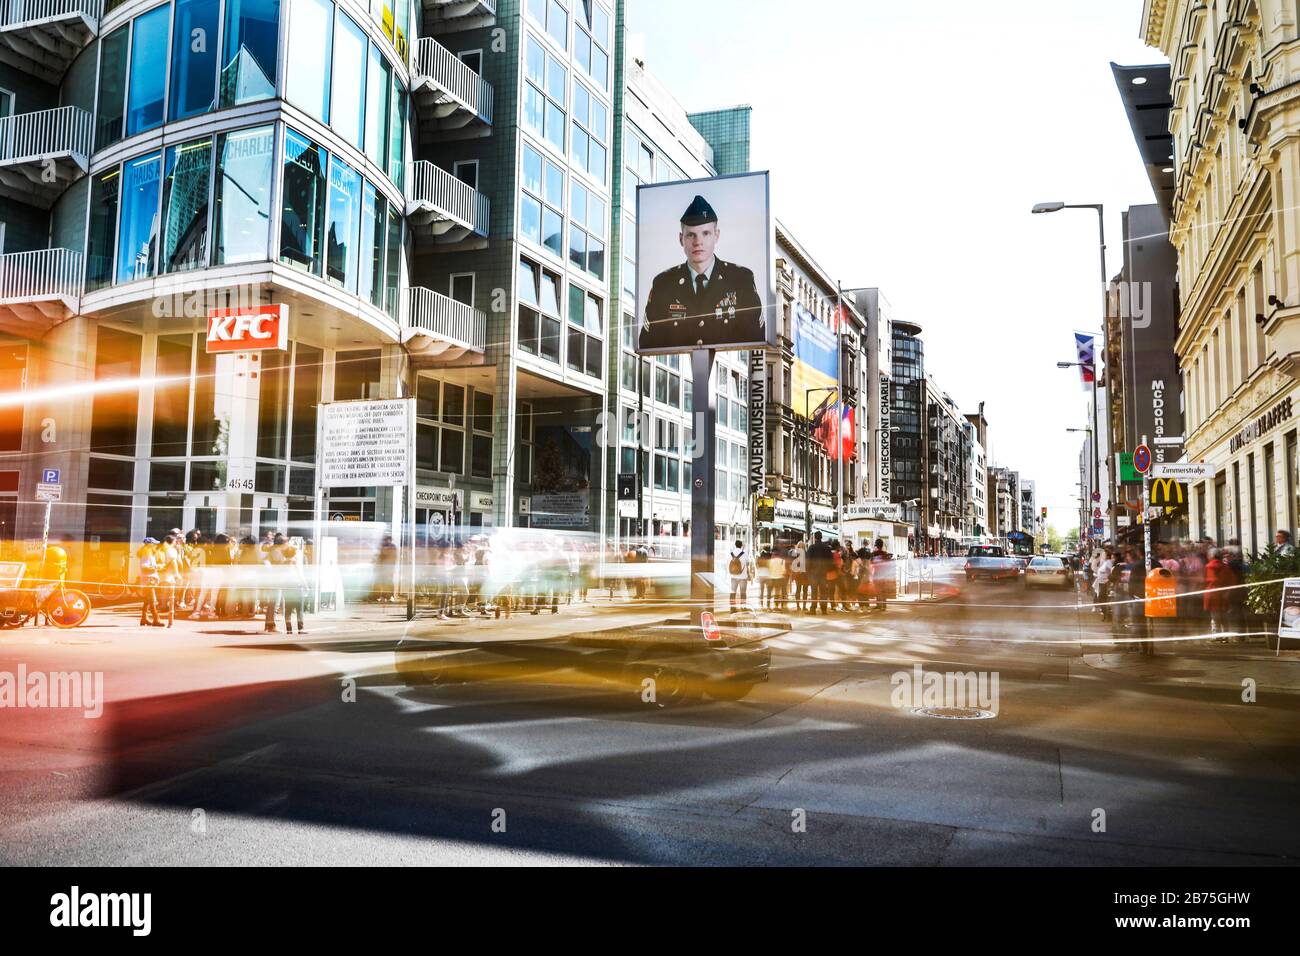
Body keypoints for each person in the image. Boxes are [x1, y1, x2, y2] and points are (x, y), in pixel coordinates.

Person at [640, 194, 765, 351]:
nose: (698, 242)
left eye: (705, 233)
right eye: (691, 234)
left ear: (716, 235)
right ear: (681, 239)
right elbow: (647, 344)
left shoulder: (741, 279)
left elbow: (757, 339)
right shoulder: (663, 284)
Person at [1204, 548, 1239, 642]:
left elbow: (1202, 581)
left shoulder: (1207, 567)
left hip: (1211, 594)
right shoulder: (1226, 568)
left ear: (1211, 556)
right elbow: (1233, 580)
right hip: (1223, 594)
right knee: (1224, 617)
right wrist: (1228, 592)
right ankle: (1225, 636)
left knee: (1215, 617)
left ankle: (1217, 636)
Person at [805, 532, 834, 614]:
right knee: (823, 592)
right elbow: (831, 561)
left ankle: (813, 609)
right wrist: (827, 570)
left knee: (814, 591)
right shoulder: (827, 548)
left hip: (813, 573)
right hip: (823, 573)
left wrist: (808, 572)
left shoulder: (812, 547)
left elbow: (808, 561)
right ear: (821, 537)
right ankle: (824, 610)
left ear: (815, 538)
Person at [137, 537, 162, 627]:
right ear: (150, 545)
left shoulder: (149, 554)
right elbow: (144, 567)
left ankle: (144, 618)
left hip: (149, 579)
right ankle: (156, 619)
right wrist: (156, 567)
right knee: (152, 600)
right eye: (154, 544)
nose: (156, 546)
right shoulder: (147, 555)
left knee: (147, 600)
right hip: (149, 580)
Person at [868, 539, 896, 613]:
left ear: (876, 545)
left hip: (876, 574)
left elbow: (871, 563)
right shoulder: (885, 554)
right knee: (883, 590)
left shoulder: (874, 554)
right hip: (884, 574)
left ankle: (879, 605)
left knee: (878, 590)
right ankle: (884, 606)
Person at [727, 539, 751, 611]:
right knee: (743, 593)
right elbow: (748, 564)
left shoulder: (731, 554)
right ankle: (743, 607)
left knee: (732, 592)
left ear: (735, 545)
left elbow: (728, 563)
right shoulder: (745, 554)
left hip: (733, 577)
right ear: (741, 546)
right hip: (743, 577)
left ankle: (732, 608)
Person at [789, 538, 808, 611]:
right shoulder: (806, 554)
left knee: (798, 590)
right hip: (805, 574)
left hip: (798, 574)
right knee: (805, 590)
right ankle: (804, 606)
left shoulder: (795, 554)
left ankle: (798, 606)